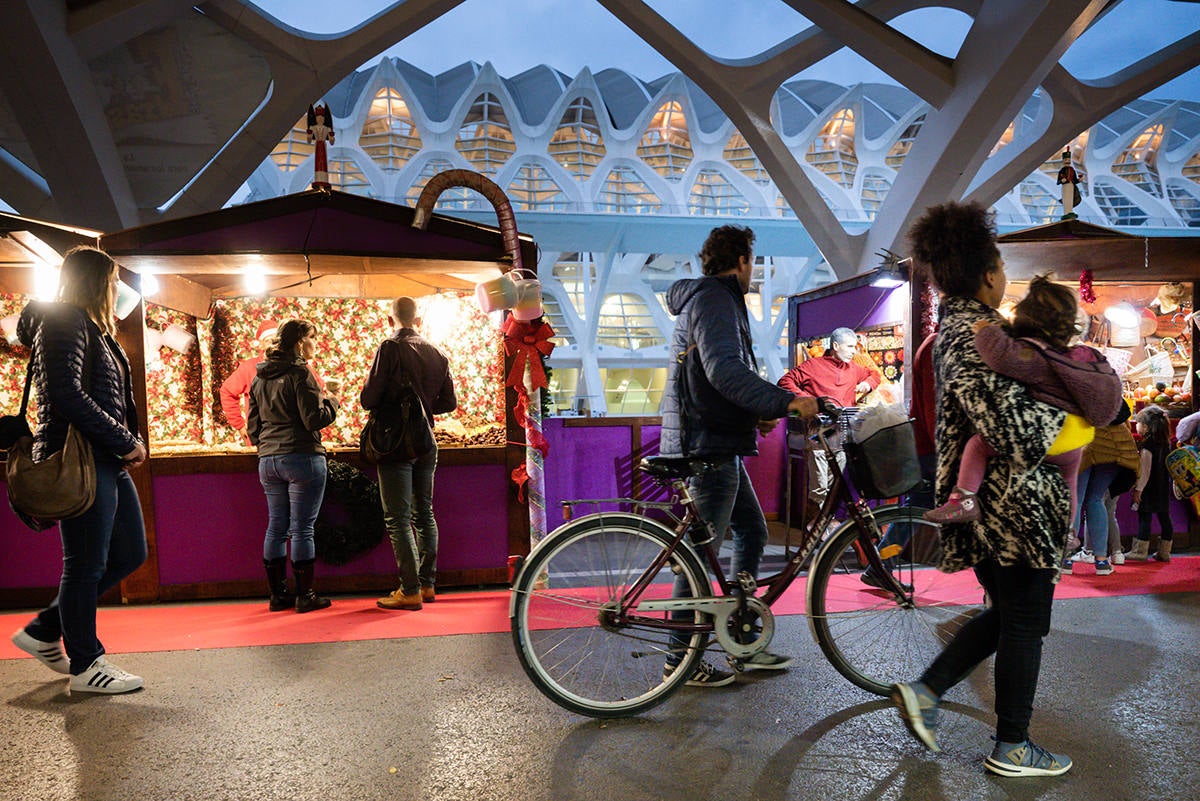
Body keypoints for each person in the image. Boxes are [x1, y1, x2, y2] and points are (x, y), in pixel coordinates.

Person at [890, 201, 1075, 777]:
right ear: (988, 272)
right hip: (1013, 501)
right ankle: (1012, 745)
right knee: (1024, 618)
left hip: (990, 501)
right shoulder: (979, 331)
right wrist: (1070, 425)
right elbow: (1005, 423)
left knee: (1011, 614)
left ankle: (929, 690)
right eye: (1001, 268)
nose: (1004, 279)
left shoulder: (957, 327)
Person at [660, 224, 821, 686]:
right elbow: (724, 369)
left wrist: (755, 416)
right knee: (700, 552)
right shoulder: (714, 299)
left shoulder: (712, 299)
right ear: (743, 261)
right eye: (754, 261)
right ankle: (679, 661)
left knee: (750, 529)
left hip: (715, 437)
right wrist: (781, 401)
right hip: (706, 443)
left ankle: (742, 639)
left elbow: (712, 379)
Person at [8, 246, 149, 694]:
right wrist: (125, 441)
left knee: (129, 553)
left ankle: (48, 628)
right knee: (85, 564)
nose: (117, 290)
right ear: (96, 281)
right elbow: (67, 395)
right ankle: (86, 665)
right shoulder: (66, 320)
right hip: (83, 458)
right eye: (112, 281)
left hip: (105, 457)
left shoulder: (91, 326)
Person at [924, 275, 1122, 526]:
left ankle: (963, 501)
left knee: (978, 445)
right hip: (1077, 438)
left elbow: (1002, 357)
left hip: (1045, 435)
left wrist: (986, 330)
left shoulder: (1038, 355)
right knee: (1069, 482)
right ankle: (1067, 531)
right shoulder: (1084, 355)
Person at [363, 297, 457, 611]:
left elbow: (368, 397)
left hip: (395, 441)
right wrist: (423, 406)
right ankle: (427, 584)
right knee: (424, 514)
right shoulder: (438, 352)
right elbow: (448, 404)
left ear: (392, 320)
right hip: (426, 441)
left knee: (398, 519)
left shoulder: (389, 348)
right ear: (418, 319)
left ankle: (410, 589)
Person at [247, 319, 340, 613]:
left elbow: (252, 428)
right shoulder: (301, 373)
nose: (316, 344)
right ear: (300, 342)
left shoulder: (259, 377)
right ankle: (305, 596)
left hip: (268, 461)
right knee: (302, 529)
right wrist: (332, 401)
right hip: (301, 457)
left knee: (276, 527)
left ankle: (277, 595)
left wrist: (267, 446)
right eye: (313, 338)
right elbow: (314, 419)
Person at [778, 327, 880, 519]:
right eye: (849, 346)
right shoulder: (813, 366)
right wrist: (810, 401)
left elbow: (874, 375)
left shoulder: (853, 368)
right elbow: (785, 381)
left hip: (842, 435)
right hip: (818, 433)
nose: (853, 351)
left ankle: (826, 533)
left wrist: (867, 384)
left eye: (855, 347)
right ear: (835, 346)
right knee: (819, 489)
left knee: (835, 489)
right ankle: (815, 534)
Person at [1069, 402, 1140, 575]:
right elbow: (1124, 411)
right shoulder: (1109, 382)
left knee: (1076, 499)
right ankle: (1101, 561)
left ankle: (1065, 559)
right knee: (1096, 499)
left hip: (1084, 441)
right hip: (1115, 446)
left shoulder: (1075, 381)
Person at [1126, 405, 1174, 562]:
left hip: (1149, 489)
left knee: (1144, 518)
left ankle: (1140, 552)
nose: (1137, 426)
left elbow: (1145, 471)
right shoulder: (1165, 443)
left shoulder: (1147, 445)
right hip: (1163, 487)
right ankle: (1165, 552)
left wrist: (1138, 490)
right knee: (1164, 518)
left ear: (1145, 426)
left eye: (1138, 423)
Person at [219, 319, 278, 445]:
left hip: (292, 441)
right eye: (268, 340)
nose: (273, 343)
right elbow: (227, 391)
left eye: (277, 339)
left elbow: (319, 388)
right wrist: (239, 425)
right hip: (261, 440)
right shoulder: (249, 368)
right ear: (261, 345)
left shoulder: (296, 365)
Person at [307, 104, 335, 190]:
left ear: (324, 118)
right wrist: (309, 134)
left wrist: (331, 136)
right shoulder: (313, 127)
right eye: (318, 117)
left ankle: (324, 180)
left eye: (322, 117)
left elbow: (332, 142)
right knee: (318, 162)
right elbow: (309, 140)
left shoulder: (327, 128)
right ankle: (319, 179)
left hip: (323, 146)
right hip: (318, 146)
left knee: (323, 162)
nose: (320, 119)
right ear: (315, 118)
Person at [1056, 150, 1081, 219]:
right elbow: (1058, 182)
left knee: (1071, 199)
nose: (1068, 161)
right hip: (1065, 186)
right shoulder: (1062, 170)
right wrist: (1062, 180)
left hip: (1071, 186)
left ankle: (1070, 211)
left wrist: (1079, 180)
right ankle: (1066, 212)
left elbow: (1074, 180)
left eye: (1069, 159)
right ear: (1063, 160)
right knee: (1066, 199)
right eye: (1066, 159)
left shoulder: (1072, 169)